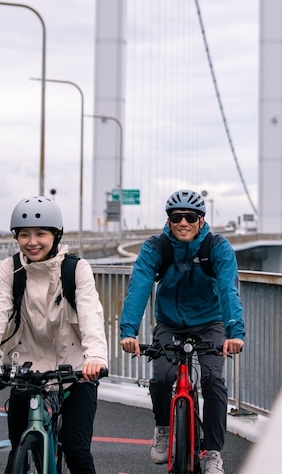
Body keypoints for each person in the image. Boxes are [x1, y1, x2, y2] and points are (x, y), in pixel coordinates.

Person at [0, 196, 108, 474]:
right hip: (26, 369)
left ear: (56, 235)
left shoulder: (76, 269)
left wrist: (96, 358)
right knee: (18, 447)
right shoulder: (11, 269)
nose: (32, 242)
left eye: (41, 234)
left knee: (76, 449)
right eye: (24, 235)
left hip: (76, 372)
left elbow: (91, 315)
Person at [120, 189, 245, 474]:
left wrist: (234, 333)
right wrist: (129, 331)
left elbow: (228, 289)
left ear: (201, 220)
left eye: (191, 217)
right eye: (177, 217)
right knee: (163, 377)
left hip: (209, 322)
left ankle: (213, 451)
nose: (183, 222)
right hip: (170, 324)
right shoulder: (156, 247)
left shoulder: (217, 247)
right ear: (169, 220)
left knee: (213, 380)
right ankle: (164, 428)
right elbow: (139, 287)